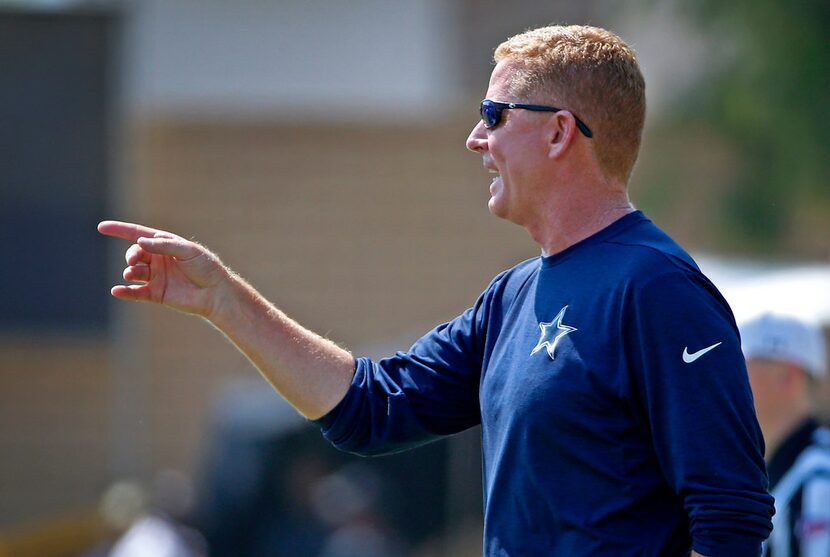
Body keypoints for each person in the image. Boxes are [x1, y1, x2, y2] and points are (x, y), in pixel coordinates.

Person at [99, 24, 774, 557]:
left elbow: (730, 515)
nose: (476, 137)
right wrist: (225, 300)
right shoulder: (511, 295)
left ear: (560, 131)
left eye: (494, 113)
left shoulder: (659, 288)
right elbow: (369, 408)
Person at [741, 312, 830, 557]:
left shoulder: (819, 478)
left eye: (741, 365)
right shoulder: (776, 469)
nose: (728, 378)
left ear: (787, 374)